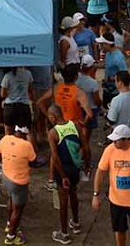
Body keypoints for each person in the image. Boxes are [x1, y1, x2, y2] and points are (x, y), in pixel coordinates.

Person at [48, 102, 85, 245]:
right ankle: (75, 223)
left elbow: (55, 157)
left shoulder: (53, 133)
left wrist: (62, 176)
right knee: (74, 193)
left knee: (63, 201)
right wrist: (86, 165)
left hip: (63, 169)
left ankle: (63, 233)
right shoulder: (75, 125)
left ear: (52, 117)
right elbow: (85, 146)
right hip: (75, 167)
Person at [0, 124, 37, 245]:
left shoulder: (6, 139)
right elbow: (34, 162)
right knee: (18, 210)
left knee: (11, 199)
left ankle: (9, 224)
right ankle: (11, 236)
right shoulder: (27, 145)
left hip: (6, 177)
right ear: (26, 134)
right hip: (19, 181)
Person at [106, 71, 130, 142]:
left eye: (116, 81)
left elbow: (112, 120)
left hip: (121, 135)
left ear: (120, 82)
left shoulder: (116, 100)